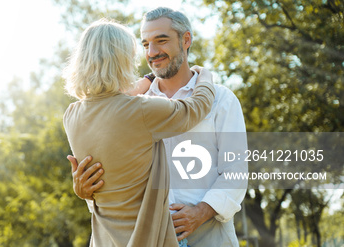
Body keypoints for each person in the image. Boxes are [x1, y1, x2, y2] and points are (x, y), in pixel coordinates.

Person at [68, 7, 248, 247]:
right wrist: (86, 192)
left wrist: (201, 212)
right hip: (145, 238)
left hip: (208, 237)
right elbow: (109, 184)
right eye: (145, 45)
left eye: (161, 41)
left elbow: (236, 171)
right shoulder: (128, 107)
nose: (152, 53)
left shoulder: (222, 100)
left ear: (186, 40)